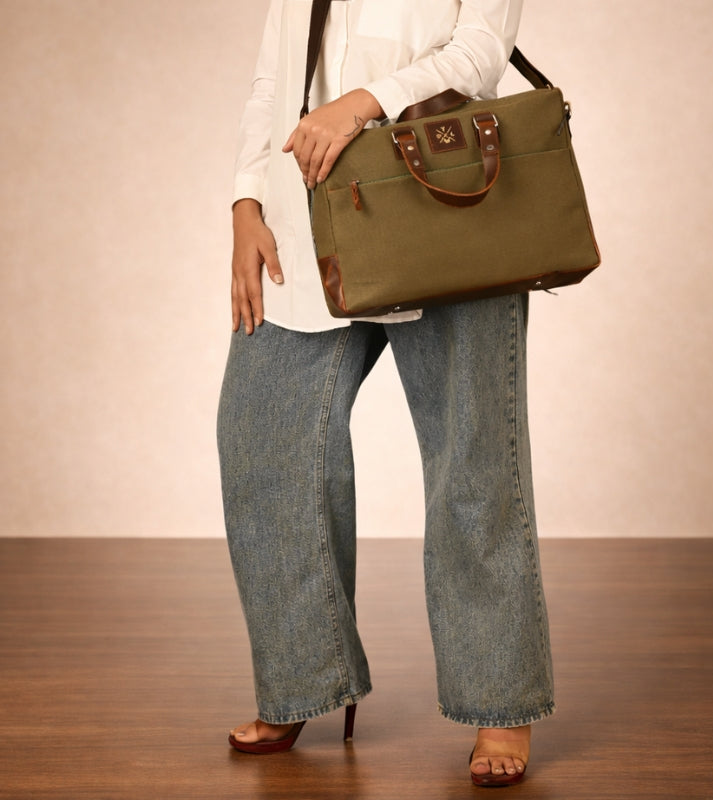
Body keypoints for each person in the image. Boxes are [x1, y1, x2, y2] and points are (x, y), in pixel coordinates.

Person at [217, 0, 554, 787]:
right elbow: (273, 80)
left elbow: (480, 51)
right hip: (314, 219)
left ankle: (499, 702)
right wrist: (246, 201)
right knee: (264, 445)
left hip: (451, 214)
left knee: (474, 468)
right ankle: (304, 679)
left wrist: (363, 103)